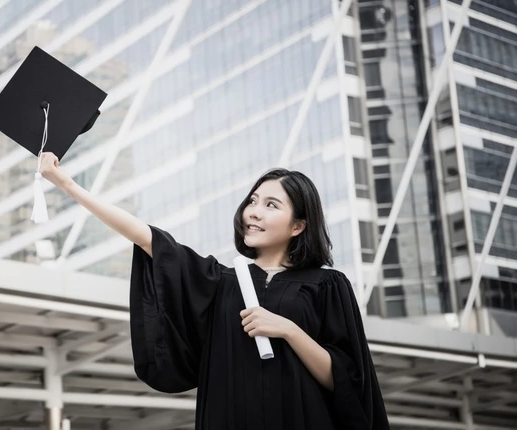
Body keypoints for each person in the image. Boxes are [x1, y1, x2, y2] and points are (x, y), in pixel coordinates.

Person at [40, 153, 390, 430]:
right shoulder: (224, 282)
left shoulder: (327, 286)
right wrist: (66, 183)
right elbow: (147, 238)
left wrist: (288, 329)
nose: (253, 212)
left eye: (271, 205)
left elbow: (344, 379)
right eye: (253, 200)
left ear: (298, 225)